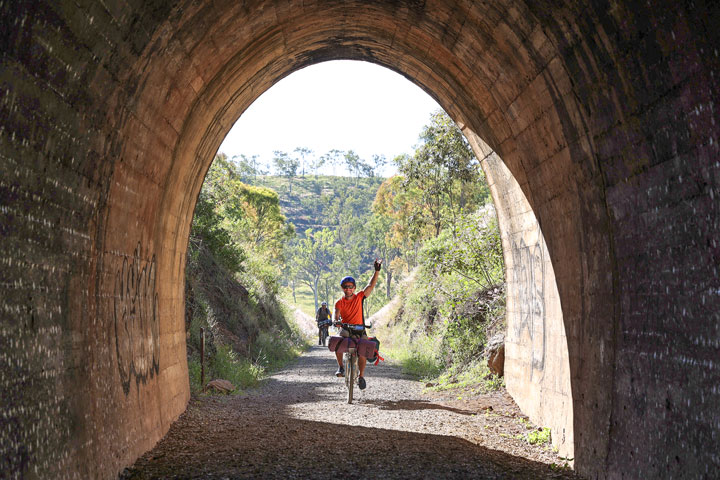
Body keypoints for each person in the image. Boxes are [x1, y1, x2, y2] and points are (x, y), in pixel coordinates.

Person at [332, 258, 382, 390]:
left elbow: (371, 285)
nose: (348, 289)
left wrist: (376, 271)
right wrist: (336, 321)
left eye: (350, 286)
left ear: (354, 288)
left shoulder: (360, 297)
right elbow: (336, 314)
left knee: (363, 350)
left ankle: (361, 377)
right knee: (338, 341)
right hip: (346, 329)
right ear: (342, 288)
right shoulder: (339, 302)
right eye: (345, 287)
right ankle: (341, 367)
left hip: (360, 330)